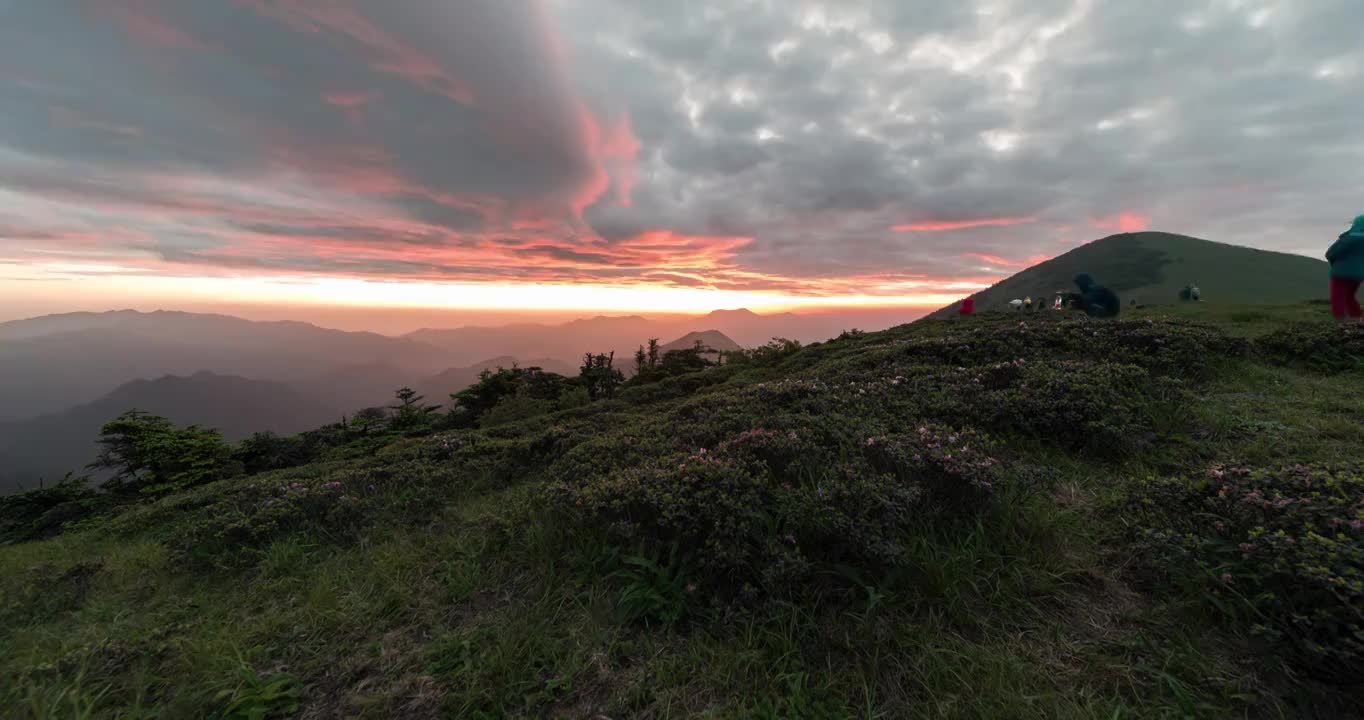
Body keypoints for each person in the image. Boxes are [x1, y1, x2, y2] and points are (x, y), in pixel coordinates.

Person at [1326, 215, 1364, 321]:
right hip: (1359, 275)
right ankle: (1357, 320)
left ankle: (1340, 322)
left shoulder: (1348, 238)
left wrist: (1334, 262)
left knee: (1338, 298)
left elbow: (1330, 254)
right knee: (1349, 297)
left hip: (1340, 273)